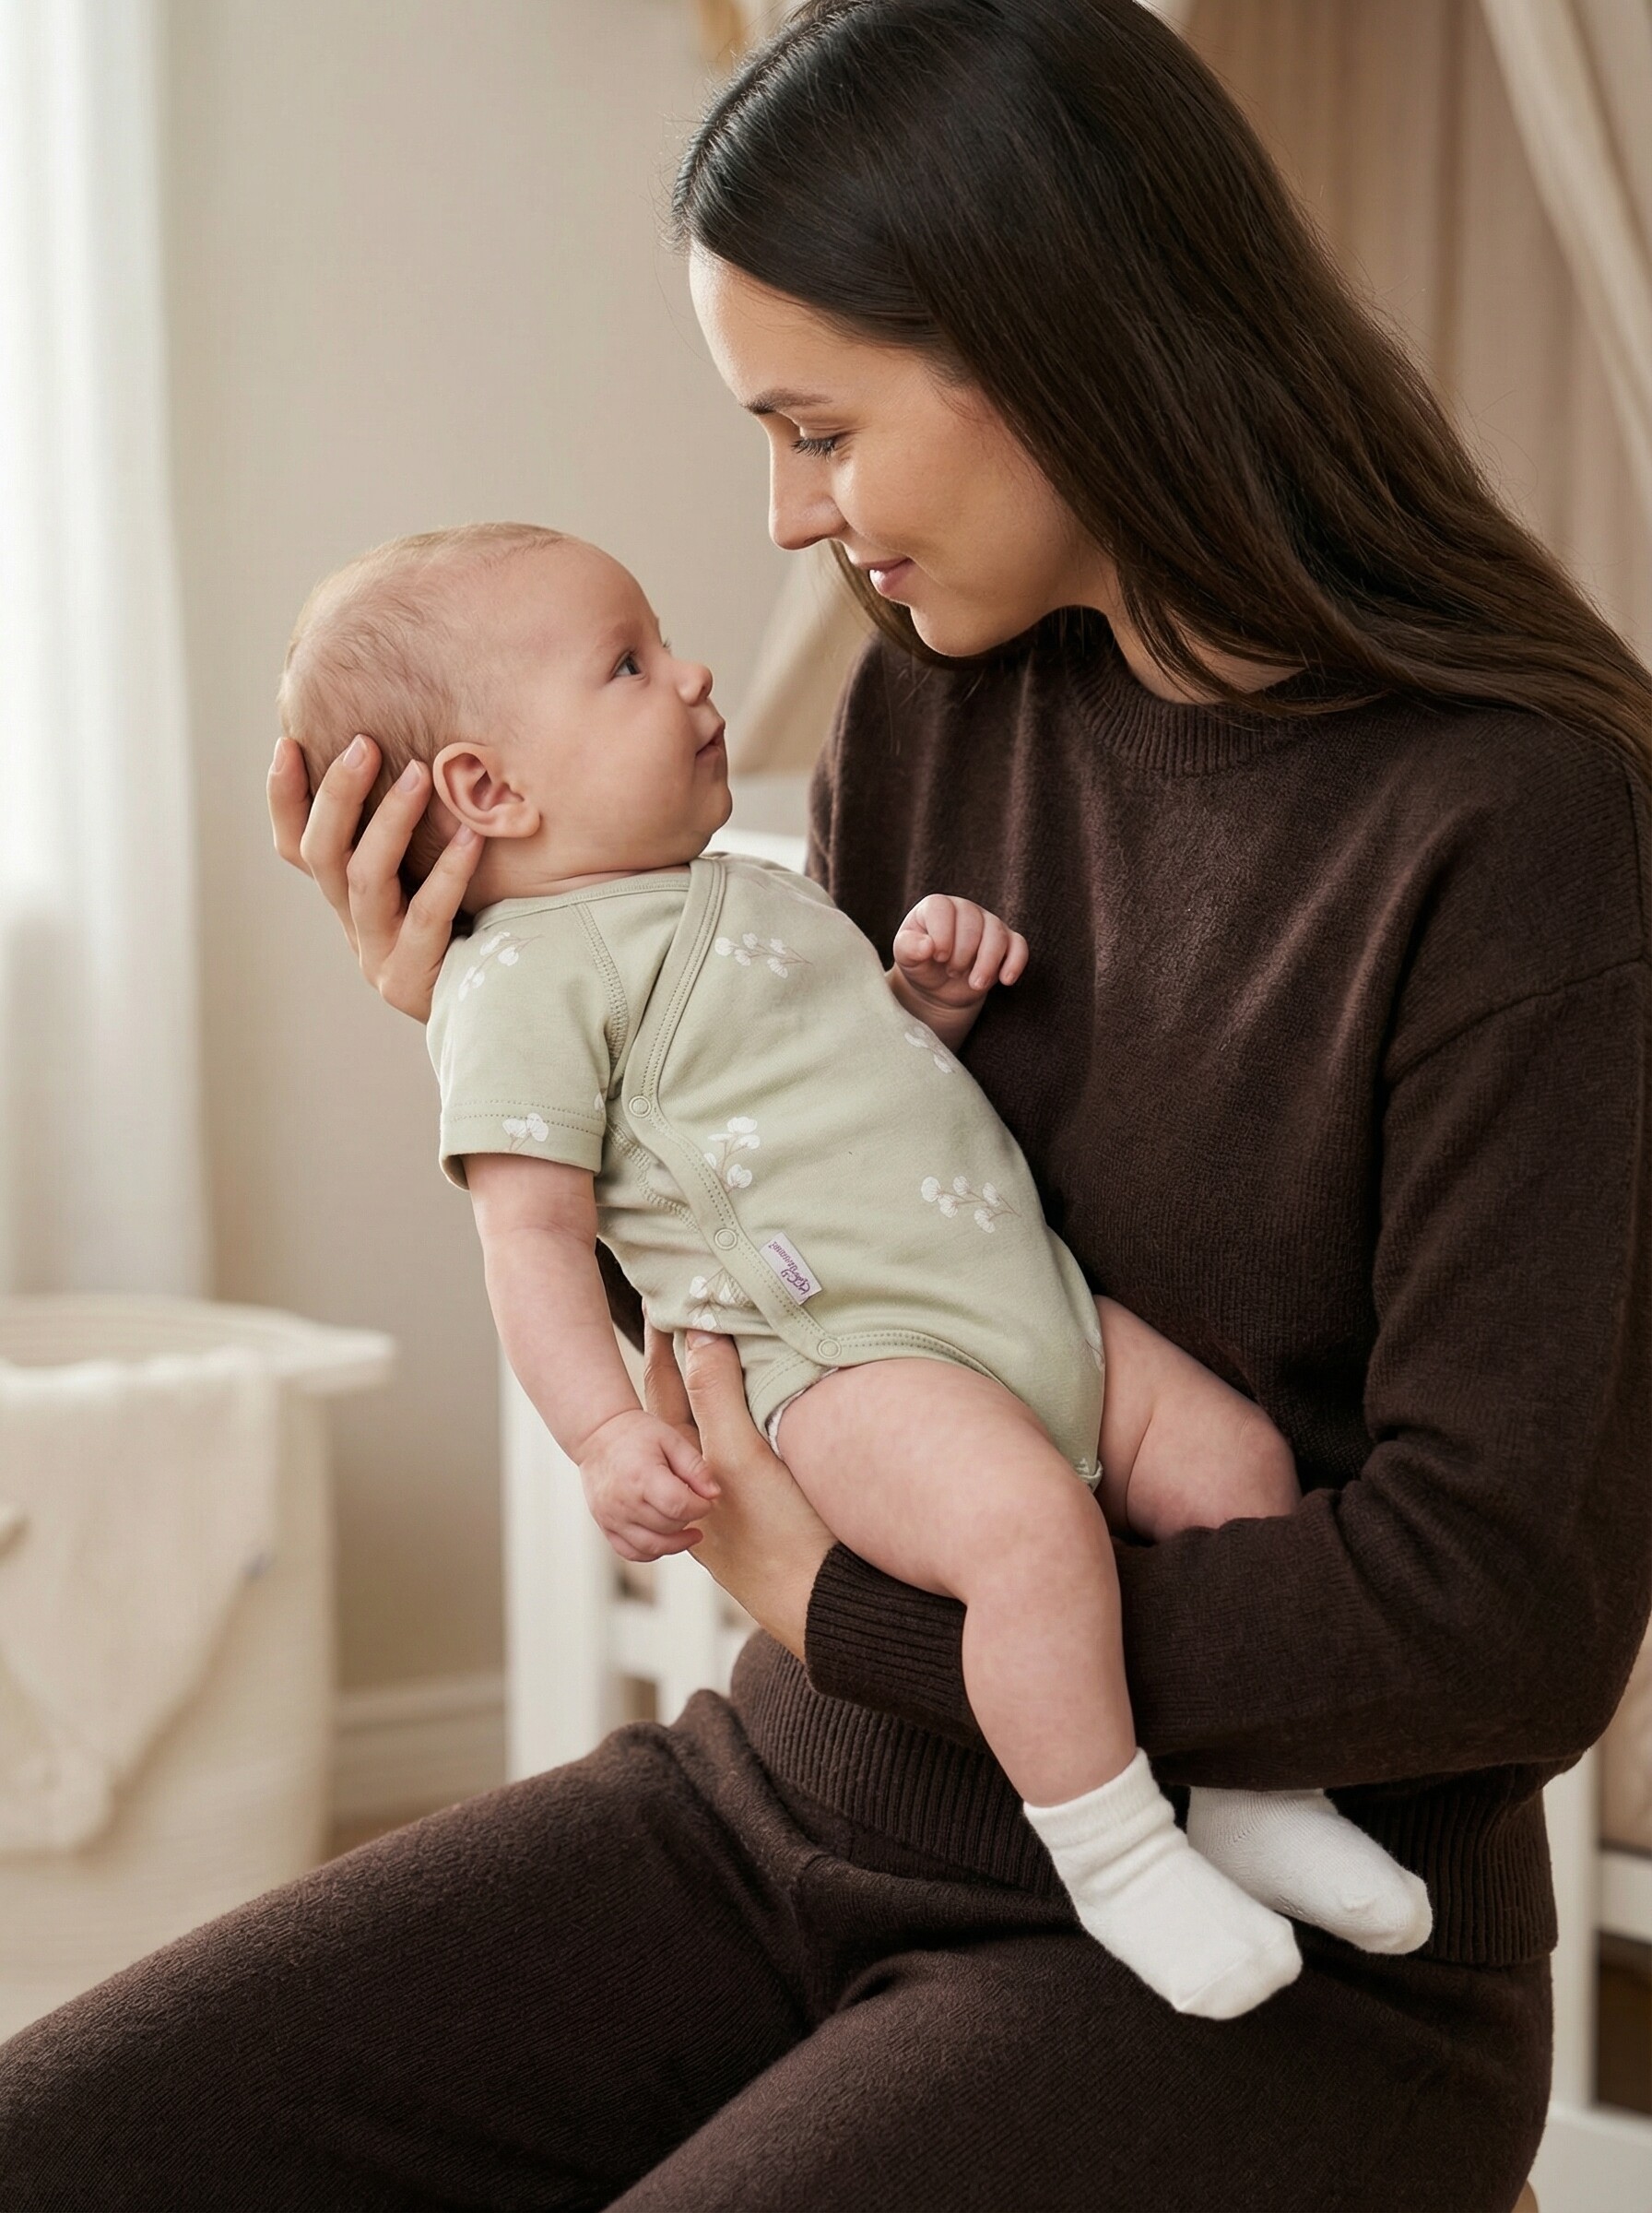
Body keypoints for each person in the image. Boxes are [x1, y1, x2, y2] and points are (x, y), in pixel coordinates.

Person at [2, 0, 1647, 2203]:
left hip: (1276, 1943)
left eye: (813, 427)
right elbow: (802, 1245)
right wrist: (519, 1051)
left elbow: (1491, 1615)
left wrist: (838, 1611)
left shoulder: (1522, 829)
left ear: (1056, 343)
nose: (783, 522)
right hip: (790, 1800)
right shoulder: (928, 715)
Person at [277, 518, 1431, 2023]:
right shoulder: (518, 981)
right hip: (842, 1354)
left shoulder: (743, 889)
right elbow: (536, 1239)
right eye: (627, 665)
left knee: (1235, 1455)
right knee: (1030, 1541)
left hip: (1023, 1297)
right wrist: (607, 1434)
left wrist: (922, 1000)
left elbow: (830, 1095)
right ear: (491, 789)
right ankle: (1120, 1855)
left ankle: (1256, 1795)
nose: (692, 676)